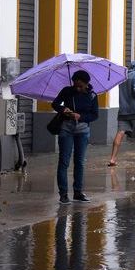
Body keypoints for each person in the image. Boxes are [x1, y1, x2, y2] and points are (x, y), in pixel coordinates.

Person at [51, 70, 98, 204]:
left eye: (80, 86)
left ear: (86, 84)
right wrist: (63, 109)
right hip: (66, 129)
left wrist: (81, 117)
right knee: (64, 161)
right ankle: (63, 194)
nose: (77, 88)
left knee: (80, 162)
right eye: (75, 85)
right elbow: (55, 104)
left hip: (82, 131)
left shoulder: (92, 96)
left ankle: (78, 192)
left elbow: (94, 115)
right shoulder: (67, 91)